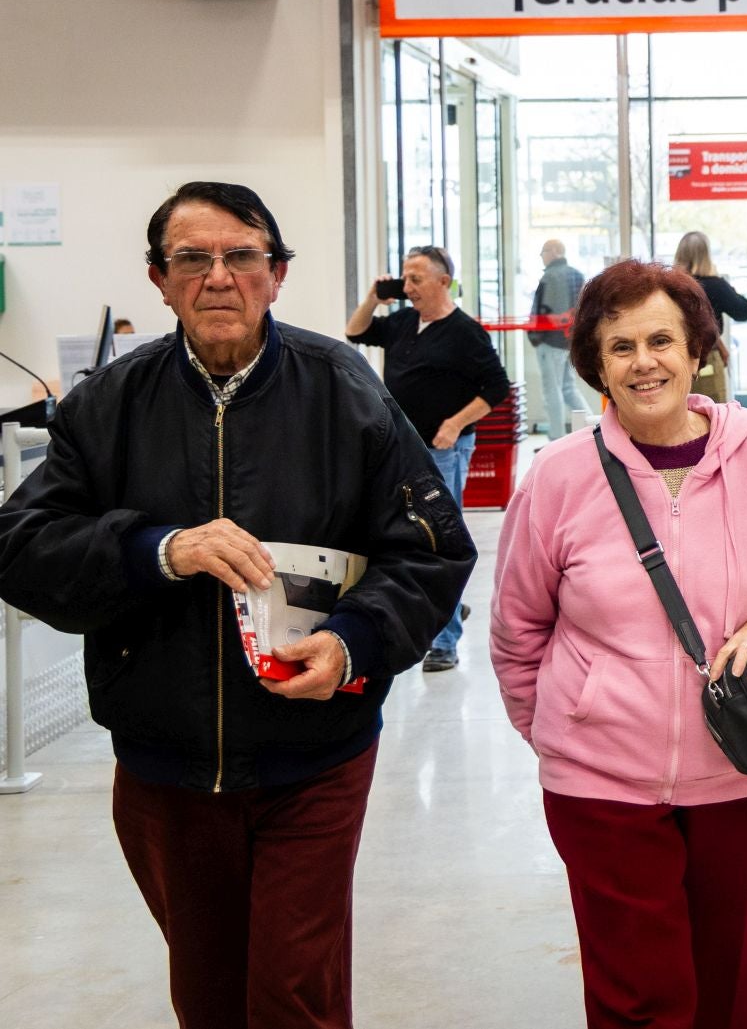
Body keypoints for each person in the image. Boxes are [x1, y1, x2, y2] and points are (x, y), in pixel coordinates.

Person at [0, 181, 474, 1029]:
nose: (218, 277)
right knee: (209, 998)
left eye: (241, 256)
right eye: (192, 258)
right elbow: (20, 546)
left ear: (276, 273)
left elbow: (431, 550)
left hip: (315, 758)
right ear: (159, 277)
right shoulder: (107, 405)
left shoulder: (344, 391)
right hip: (164, 769)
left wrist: (356, 641)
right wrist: (156, 549)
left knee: (295, 994)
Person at [491, 260, 747, 1029]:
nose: (643, 360)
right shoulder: (556, 477)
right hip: (602, 787)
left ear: (697, 351)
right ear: (595, 363)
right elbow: (518, 629)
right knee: (637, 1002)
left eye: (661, 339)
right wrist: (565, 734)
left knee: (725, 993)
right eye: (620, 346)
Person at [347, 243, 510, 672]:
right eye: (405, 278)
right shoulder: (403, 321)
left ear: (443, 281)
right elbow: (355, 331)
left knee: (440, 540)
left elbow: (495, 388)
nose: (409, 286)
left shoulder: (465, 332)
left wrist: (456, 424)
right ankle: (450, 613)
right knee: (404, 534)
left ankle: (445, 642)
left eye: (416, 278)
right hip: (402, 447)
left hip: (444, 451)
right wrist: (373, 298)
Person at [673, 230, 747, 404]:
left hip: (673, 359)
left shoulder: (670, 286)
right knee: (711, 414)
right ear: (706, 256)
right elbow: (743, 311)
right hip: (706, 361)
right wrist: (722, 283)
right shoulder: (715, 285)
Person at [530, 237, 589, 436]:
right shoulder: (578, 275)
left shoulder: (549, 278)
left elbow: (542, 312)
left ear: (554, 251)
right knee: (568, 388)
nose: (542, 258)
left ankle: (555, 439)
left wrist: (535, 336)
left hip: (550, 342)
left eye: (543, 253)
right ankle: (593, 431)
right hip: (569, 343)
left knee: (552, 392)